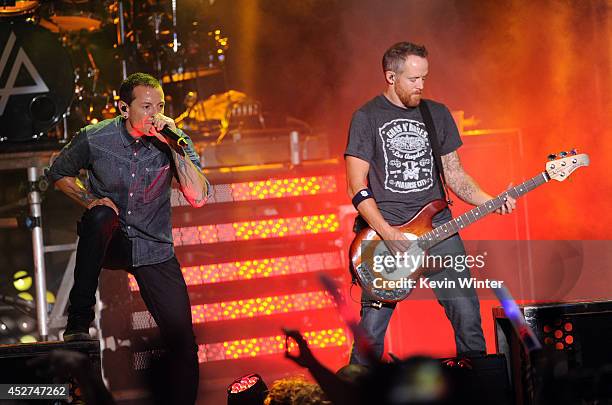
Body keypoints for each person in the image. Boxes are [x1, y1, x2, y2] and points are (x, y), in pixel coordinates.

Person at [345, 42, 516, 365]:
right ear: (390, 76)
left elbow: (454, 174)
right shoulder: (366, 117)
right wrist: (386, 232)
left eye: (424, 78)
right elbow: (356, 186)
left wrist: (491, 201)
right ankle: (356, 392)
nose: (421, 86)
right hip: (386, 235)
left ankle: (476, 382)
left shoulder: (436, 113)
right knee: (371, 330)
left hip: (438, 229)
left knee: (467, 313)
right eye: (413, 79)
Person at [46, 72, 210, 404]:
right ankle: (79, 319)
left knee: (183, 343)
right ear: (124, 107)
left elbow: (199, 197)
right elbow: (59, 173)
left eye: (160, 106)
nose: (155, 114)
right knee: (100, 215)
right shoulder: (96, 137)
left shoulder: (174, 140)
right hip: (112, 240)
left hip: (153, 246)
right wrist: (90, 200)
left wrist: (174, 147)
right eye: (146, 106)